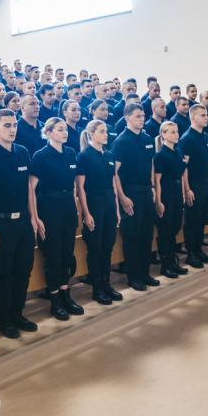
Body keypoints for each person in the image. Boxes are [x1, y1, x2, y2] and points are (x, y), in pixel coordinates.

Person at [0, 109, 38, 339]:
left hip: (22, 221)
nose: (12, 129)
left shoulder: (22, 152)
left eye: (14, 125)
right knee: (3, 273)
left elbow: (28, 189)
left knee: (23, 270)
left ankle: (18, 313)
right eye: (7, 125)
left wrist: (33, 217)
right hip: (0, 224)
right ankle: (5, 319)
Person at [30, 118, 85, 320]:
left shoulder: (70, 153)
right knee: (52, 255)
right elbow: (31, 189)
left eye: (65, 129)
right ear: (49, 132)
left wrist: (75, 208)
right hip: (48, 206)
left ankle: (65, 293)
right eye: (60, 130)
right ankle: (54, 299)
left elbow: (73, 186)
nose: (65, 133)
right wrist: (36, 217)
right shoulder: (40, 156)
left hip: (67, 205)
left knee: (66, 253)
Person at [112, 103, 158, 291]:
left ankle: (145, 273)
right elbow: (114, 173)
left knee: (147, 235)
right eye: (138, 116)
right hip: (130, 193)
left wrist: (153, 186)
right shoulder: (121, 141)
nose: (142, 119)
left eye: (143, 115)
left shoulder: (147, 138)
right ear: (127, 118)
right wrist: (122, 197)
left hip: (146, 191)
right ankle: (134, 277)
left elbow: (151, 165)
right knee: (133, 237)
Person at [76, 120, 122, 305]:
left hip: (109, 202)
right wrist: (86, 213)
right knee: (95, 248)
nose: (106, 135)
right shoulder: (84, 156)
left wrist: (117, 209)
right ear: (92, 133)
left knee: (108, 245)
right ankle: (97, 288)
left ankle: (106, 283)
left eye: (106, 131)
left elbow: (113, 183)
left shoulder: (109, 155)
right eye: (102, 131)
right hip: (93, 203)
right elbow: (80, 187)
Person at [178, 104, 208, 269]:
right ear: (193, 118)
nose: (206, 117)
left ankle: (199, 250)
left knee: (201, 219)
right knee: (192, 220)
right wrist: (187, 189)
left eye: (206, 115)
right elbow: (183, 167)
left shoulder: (205, 137)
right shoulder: (187, 139)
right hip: (192, 184)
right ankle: (191, 254)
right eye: (203, 115)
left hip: (204, 183)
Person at [154, 121, 188, 278]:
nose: (176, 134)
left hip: (176, 192)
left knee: (175, 227)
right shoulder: (160, 155)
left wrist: (183, 193)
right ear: (164, 135)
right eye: (172, 132)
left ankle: (173, 262)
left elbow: (181, 175)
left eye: (177, 131)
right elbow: (157, 181)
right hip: (165, 192)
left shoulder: (179, 152)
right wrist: (159, 201)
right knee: (165, 230)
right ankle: (166, 265)